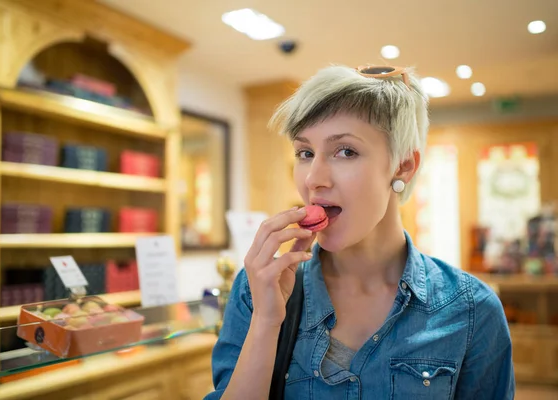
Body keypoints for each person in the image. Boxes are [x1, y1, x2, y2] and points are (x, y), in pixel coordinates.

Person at [204, 64, 515, 399]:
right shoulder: (258, 290)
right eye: (305, 153)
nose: (313, 179)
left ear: (403, 166)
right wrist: (266, 321)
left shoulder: (472, 311)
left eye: (345, 151)